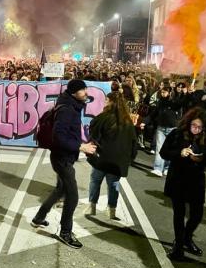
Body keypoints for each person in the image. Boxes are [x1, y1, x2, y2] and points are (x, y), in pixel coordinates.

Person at [30, 79, 97, 249]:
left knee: (60, 190)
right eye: (83, 90)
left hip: (64, 157)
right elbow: (58, 137)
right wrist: (81, 146)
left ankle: (38, 218)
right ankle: (65, 232)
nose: (86, 92)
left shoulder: (70, 104)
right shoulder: (67, 109)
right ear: (74, 92)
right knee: (72, 197)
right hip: (62, 159)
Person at [160, 107, 206, 261]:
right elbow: (163, 152)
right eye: (194, 126)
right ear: (188, 123)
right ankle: (178, 246)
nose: (196, 129)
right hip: (177, 178)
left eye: (199, 127)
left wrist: (203, 158)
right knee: (178, 214)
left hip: (196, 181)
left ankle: (186, 237)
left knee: (197, 215)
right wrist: (179, 153)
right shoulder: (177, 133)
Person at [86, 92, 137, 219]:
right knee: (113, 184)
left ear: (110, 101)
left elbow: (93, 130)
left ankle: (92, 206)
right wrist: (130, 158)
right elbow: (133, 142)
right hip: (118, 160)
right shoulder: (127, 121)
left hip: (103, 157)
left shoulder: (104, 117)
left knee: (95, 180)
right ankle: (111, 209)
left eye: (106, 100)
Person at [150, 86, 181, 177]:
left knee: (170, 149)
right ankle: (158, 168)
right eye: (162, 92)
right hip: (161, 128)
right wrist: (144, 122)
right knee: (159, 148)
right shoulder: (160, 102)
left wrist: (187, 93)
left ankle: (167, 168)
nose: (163, 94)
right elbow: (154, 113)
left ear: (170, 93)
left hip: (172, 128)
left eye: (165, 92)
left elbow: (180, 103)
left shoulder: (174, 101)